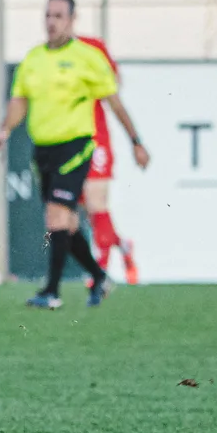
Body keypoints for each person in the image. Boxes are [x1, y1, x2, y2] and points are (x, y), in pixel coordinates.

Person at [0, 0, 148, 310]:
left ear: (73, 20)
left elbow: (114, 103)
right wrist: (5, 129)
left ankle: (52, 291)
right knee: (67, 223)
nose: (51, 22)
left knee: (56, 215)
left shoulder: (87, 57)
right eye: (48, 15)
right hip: (43, 150)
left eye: (58, 16)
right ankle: (99, 277)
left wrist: (135, 141)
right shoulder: (33, 59)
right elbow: (20, 101)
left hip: (76, 147)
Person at [75, 34, 139, 285]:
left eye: (59, 16)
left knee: (97, 202)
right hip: (67, 142)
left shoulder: (92, 47)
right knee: (86, 210)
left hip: (95, 139)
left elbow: (114, 84)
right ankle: (122, 245)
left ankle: (98, 271)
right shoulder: (48, 56)